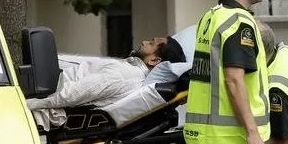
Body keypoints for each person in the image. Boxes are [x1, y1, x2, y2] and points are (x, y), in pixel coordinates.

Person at [184, 0, 270, 144]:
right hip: (232, 140)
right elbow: (233, 80)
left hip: (207, 134)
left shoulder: (211, 17)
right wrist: (253, 133)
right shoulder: (238, 23)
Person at [27, 36, 186, 129]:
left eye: (151, 43)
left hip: (39, 97)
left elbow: (70, 95)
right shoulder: (128, 69)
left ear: (154, 59)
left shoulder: (125, 75)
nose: (144, 42)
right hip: (44, 87)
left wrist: (25, 103)